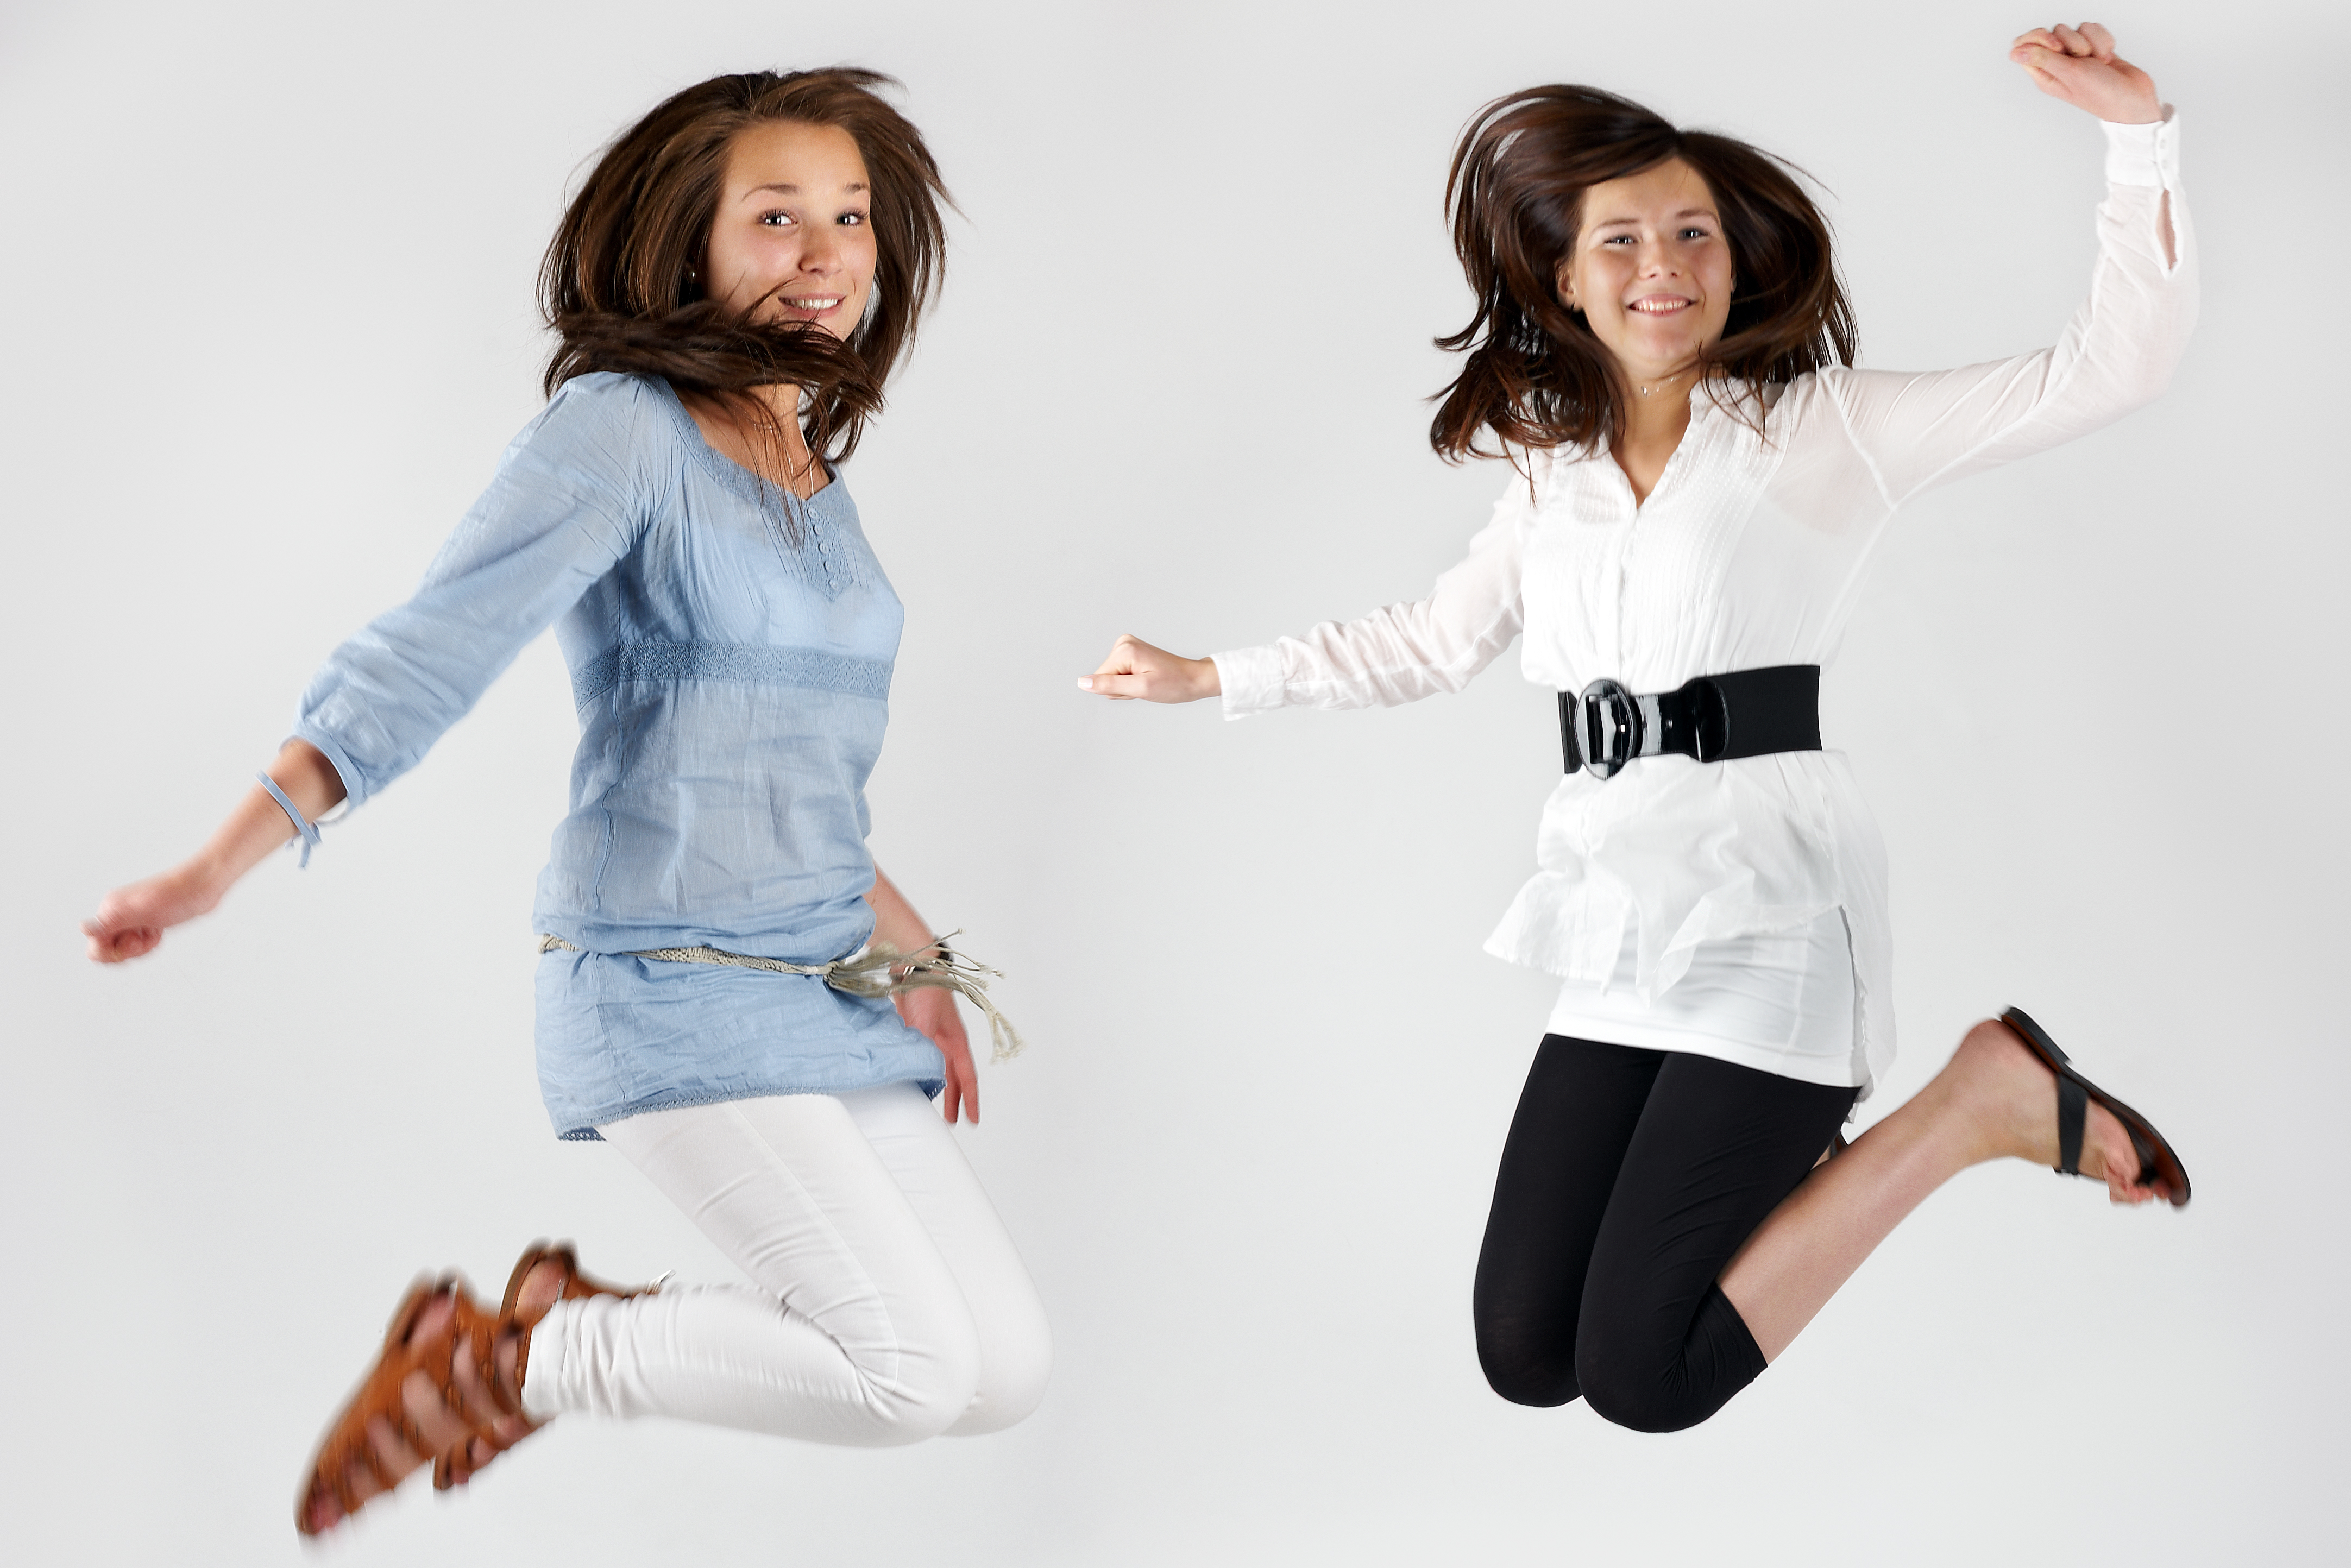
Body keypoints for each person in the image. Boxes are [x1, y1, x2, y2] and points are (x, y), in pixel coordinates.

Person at [1080, 23, 2193, 1433]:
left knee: (1646, 1377)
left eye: (1691, 233)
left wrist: (2134, 135)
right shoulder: (1552, 474)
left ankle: (1973, 1108)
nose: (1660, 263)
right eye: (1620, 238)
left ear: (1733, 261)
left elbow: (2107, 370)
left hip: (1775, 907)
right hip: (1616, 914)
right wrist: (1205, 678)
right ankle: (1940, 1114)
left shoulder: (1817, 430)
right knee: (1526, 1350)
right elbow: (1428, 641)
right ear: (1561, 275)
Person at [81, 69, 1051, 1534]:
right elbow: (425, 656)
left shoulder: (809, 476)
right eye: (776, 217)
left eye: (849, 218)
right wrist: (213, 870)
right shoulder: (618, 432)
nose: (826, 253)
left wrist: (917, 971)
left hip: (824, 979)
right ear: (688, 244)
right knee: (908, 1370)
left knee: (1001, 1374)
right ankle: (518, 1357)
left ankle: (548, 1322)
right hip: (665, 981)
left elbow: (795, 777)